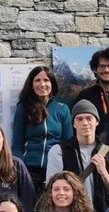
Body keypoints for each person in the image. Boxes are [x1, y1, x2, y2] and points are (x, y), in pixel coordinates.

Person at [46, 99, 109, 212]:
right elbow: (52, 190)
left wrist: (103, 172)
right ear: (73, 124)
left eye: (89, 118)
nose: (85, 123)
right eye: (80, 119)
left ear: (96, 121)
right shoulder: (59, 151)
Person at [11, 66, 73, 195]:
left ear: (52, 83)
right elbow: (17, 145)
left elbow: (68, 144)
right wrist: (22, 170)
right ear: (31, 84)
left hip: (55, 171)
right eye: (37, 80)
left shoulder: (63, 109)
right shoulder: (23, 108)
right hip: (29, 171)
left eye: (46, 80)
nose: (42, 84)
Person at [74, 46, 109, 138]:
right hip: (97, 149)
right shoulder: (85, 96)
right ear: (94, 69)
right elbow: (76, 125)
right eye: (102, 66)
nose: (106, 70)